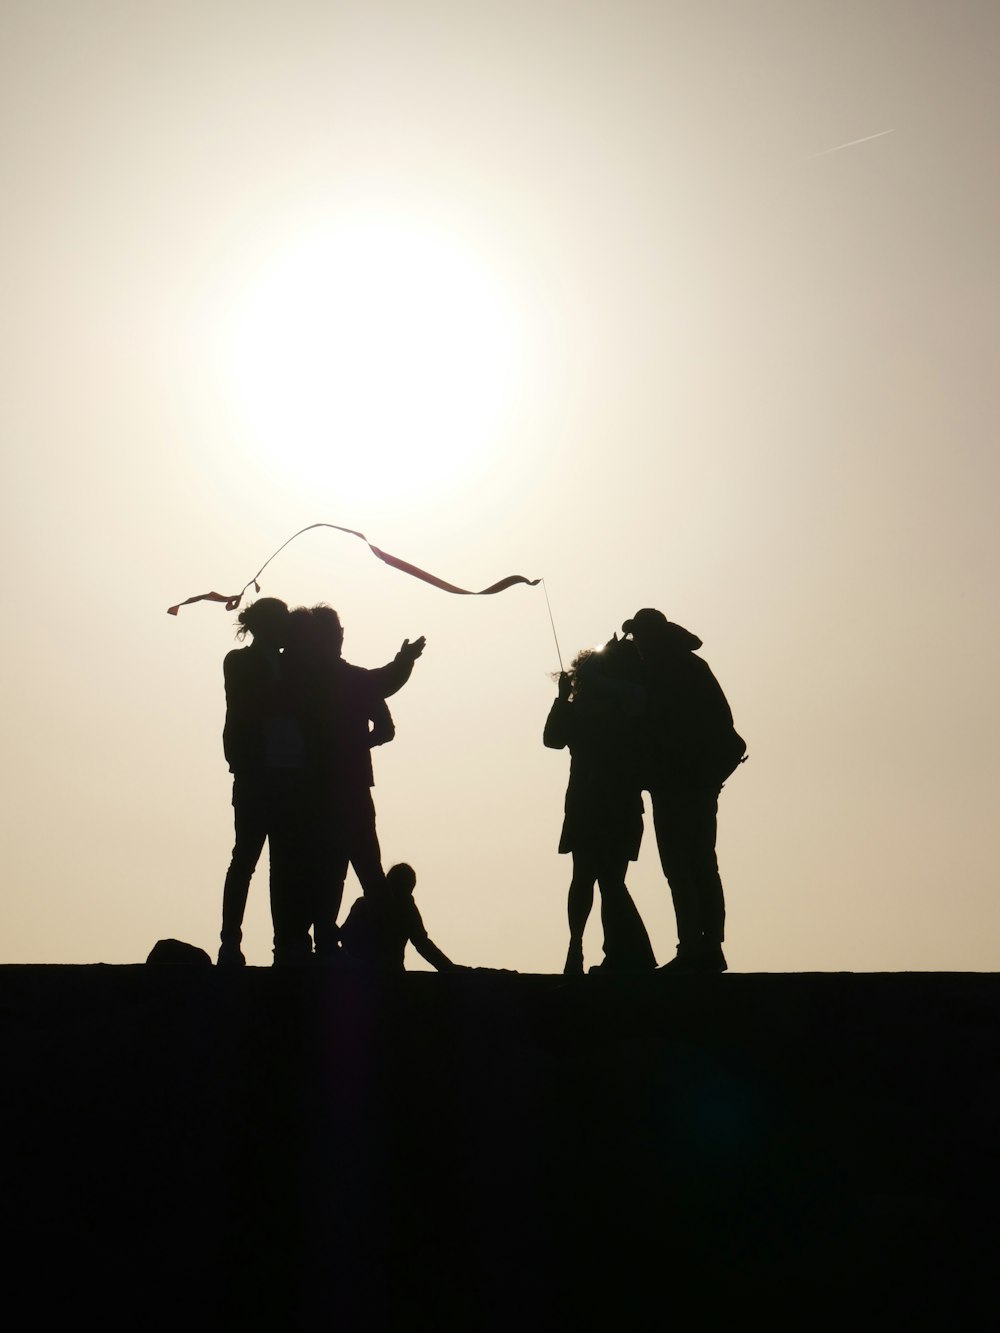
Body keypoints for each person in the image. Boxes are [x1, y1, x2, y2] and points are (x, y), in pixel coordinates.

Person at [621, 608, 745, 973]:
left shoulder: (663, 672)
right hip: (699, 783)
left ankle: (694, 947)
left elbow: (656, 725)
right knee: (702, 863)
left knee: (682, 866)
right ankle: (707, 947)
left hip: (679, 784)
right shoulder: (692, 667)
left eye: (639, 637)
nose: (637, 645)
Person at [307, 606, 426, 958]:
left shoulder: (306, 679)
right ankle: (383, 950)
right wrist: (360, 744)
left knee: (332, 871)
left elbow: (385, 722)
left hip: (324, 789)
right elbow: (386, 719)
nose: (341, 638)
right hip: (349, 788)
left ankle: (327, 945)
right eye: (336, 633)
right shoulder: (350, 681)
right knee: (364, 869)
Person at [543, 638, 657, 975]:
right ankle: (604, 950)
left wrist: (564, 699)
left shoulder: (620, 708)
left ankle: (605, 952)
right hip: (601, 806)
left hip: (598, 806)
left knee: (600, 881)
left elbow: (552, 739)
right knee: (603, 881)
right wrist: (563, 700)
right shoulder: (613, 709)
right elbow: (552, 739)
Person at [217, 597, 313, 966]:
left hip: (289, 772)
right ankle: (230, 941)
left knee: (282, 865)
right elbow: (257, 702)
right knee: (246, 859)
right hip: (257, 771)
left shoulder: (292, 663)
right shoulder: (238, 661)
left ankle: (283, 945)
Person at [339, 863, 457, 971]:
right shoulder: (406, 910)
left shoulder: (364, 904)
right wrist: (449, 968)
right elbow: (422, 944)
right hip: (382, 972)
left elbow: (345, 936)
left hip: (365, 971)